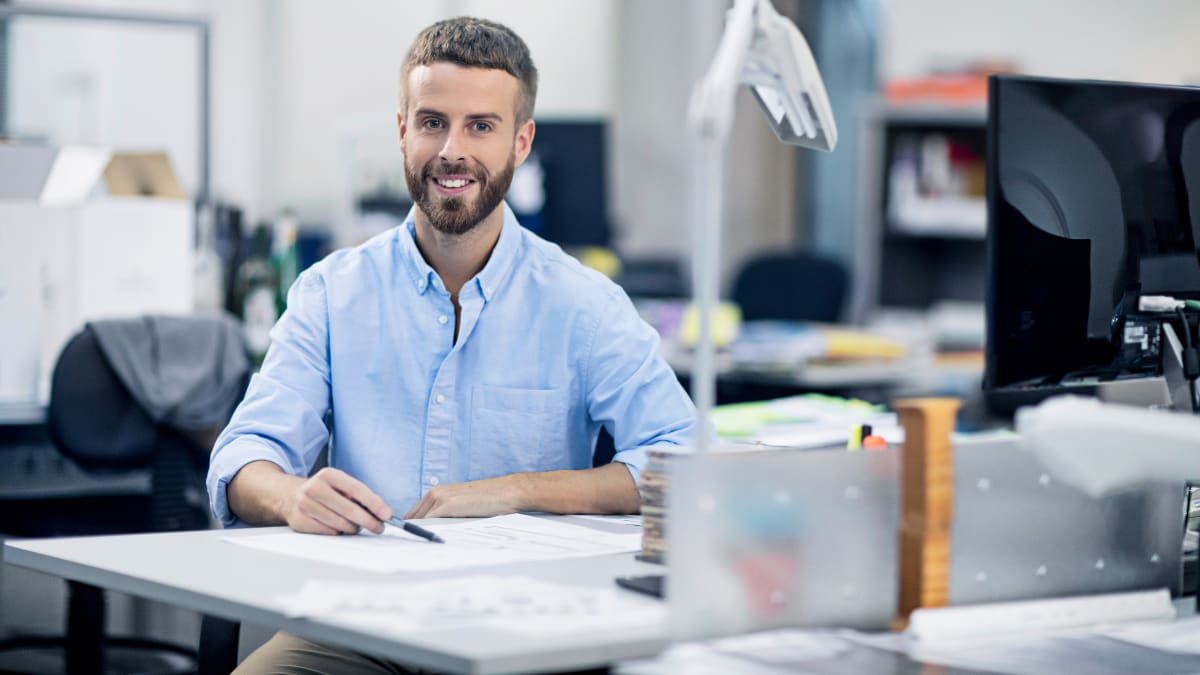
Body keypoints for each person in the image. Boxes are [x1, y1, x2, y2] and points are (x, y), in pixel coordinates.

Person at [209, 16, 695, 673]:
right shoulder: (331, 292)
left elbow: (682, 462)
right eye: (433, 122)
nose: (451, 151)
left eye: (481, 126)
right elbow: (243, 456)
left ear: (521, 142)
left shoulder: (584, 303)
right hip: (361, 621)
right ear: (402, 130)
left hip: (528, 626)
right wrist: (291, 496)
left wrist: (516, 490)